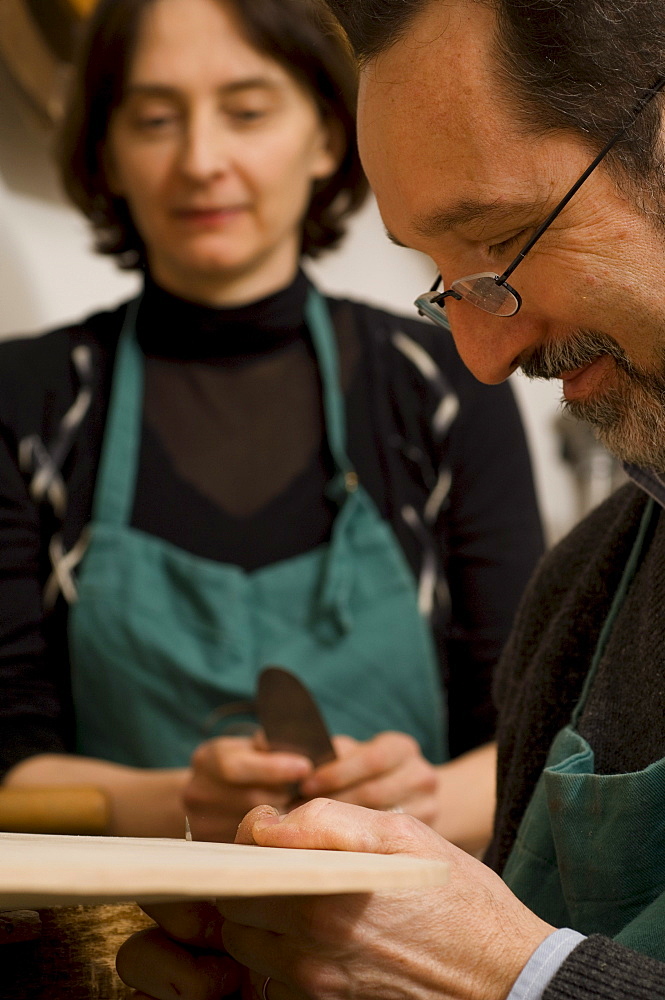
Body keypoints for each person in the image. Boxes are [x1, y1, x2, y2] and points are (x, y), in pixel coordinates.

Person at [115, 1, 665, 998]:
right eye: (440, 279)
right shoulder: (583, 588)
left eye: (501, 239)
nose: (483, 358)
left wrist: (518, 978)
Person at [0, 0, 543, 850]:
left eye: (247, 112)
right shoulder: (24, 400)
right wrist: (185, 805)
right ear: (106, 152)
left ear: (329, 138)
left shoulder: (445, 378)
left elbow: (531, 737)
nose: (201, 161)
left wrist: (422, 801)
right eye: (153, 118)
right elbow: (9, 763)